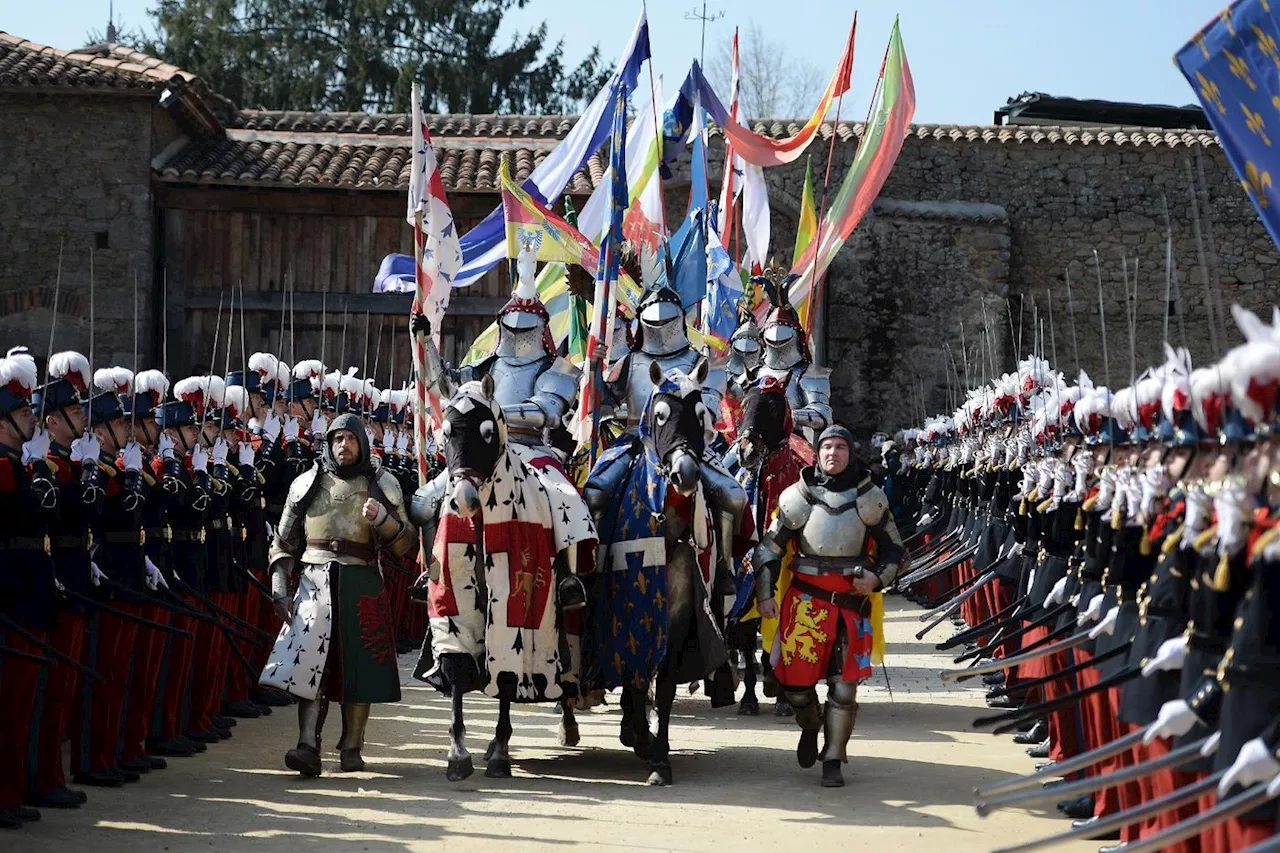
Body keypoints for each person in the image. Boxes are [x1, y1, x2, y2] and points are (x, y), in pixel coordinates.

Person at [260, 413, 414, 777]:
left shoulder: (382, 484)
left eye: (350, 439)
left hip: (362, 580)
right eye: (337, 439)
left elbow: (405, 543)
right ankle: (306, 745)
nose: (343, 446)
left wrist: (383, 520)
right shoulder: (307, 482)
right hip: (315, 580)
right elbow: (282, 542)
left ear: (362, 442)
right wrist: (280, 589)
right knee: (312, 665)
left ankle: (351, 745)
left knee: (358, 667)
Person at [753, 424, 906, 787]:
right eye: (826, 447)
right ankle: (810, 723)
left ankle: (834, 758)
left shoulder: (871, 498)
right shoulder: (797, 497)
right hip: (805, 604)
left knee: (843, 688)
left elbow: (897, 552)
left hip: (851, 606)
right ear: (817, 453)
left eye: (840, 447)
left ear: (850, 453)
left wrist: (877, 580)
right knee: (797, 688)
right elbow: (768, 550)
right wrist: (765, 593)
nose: (833, 454)